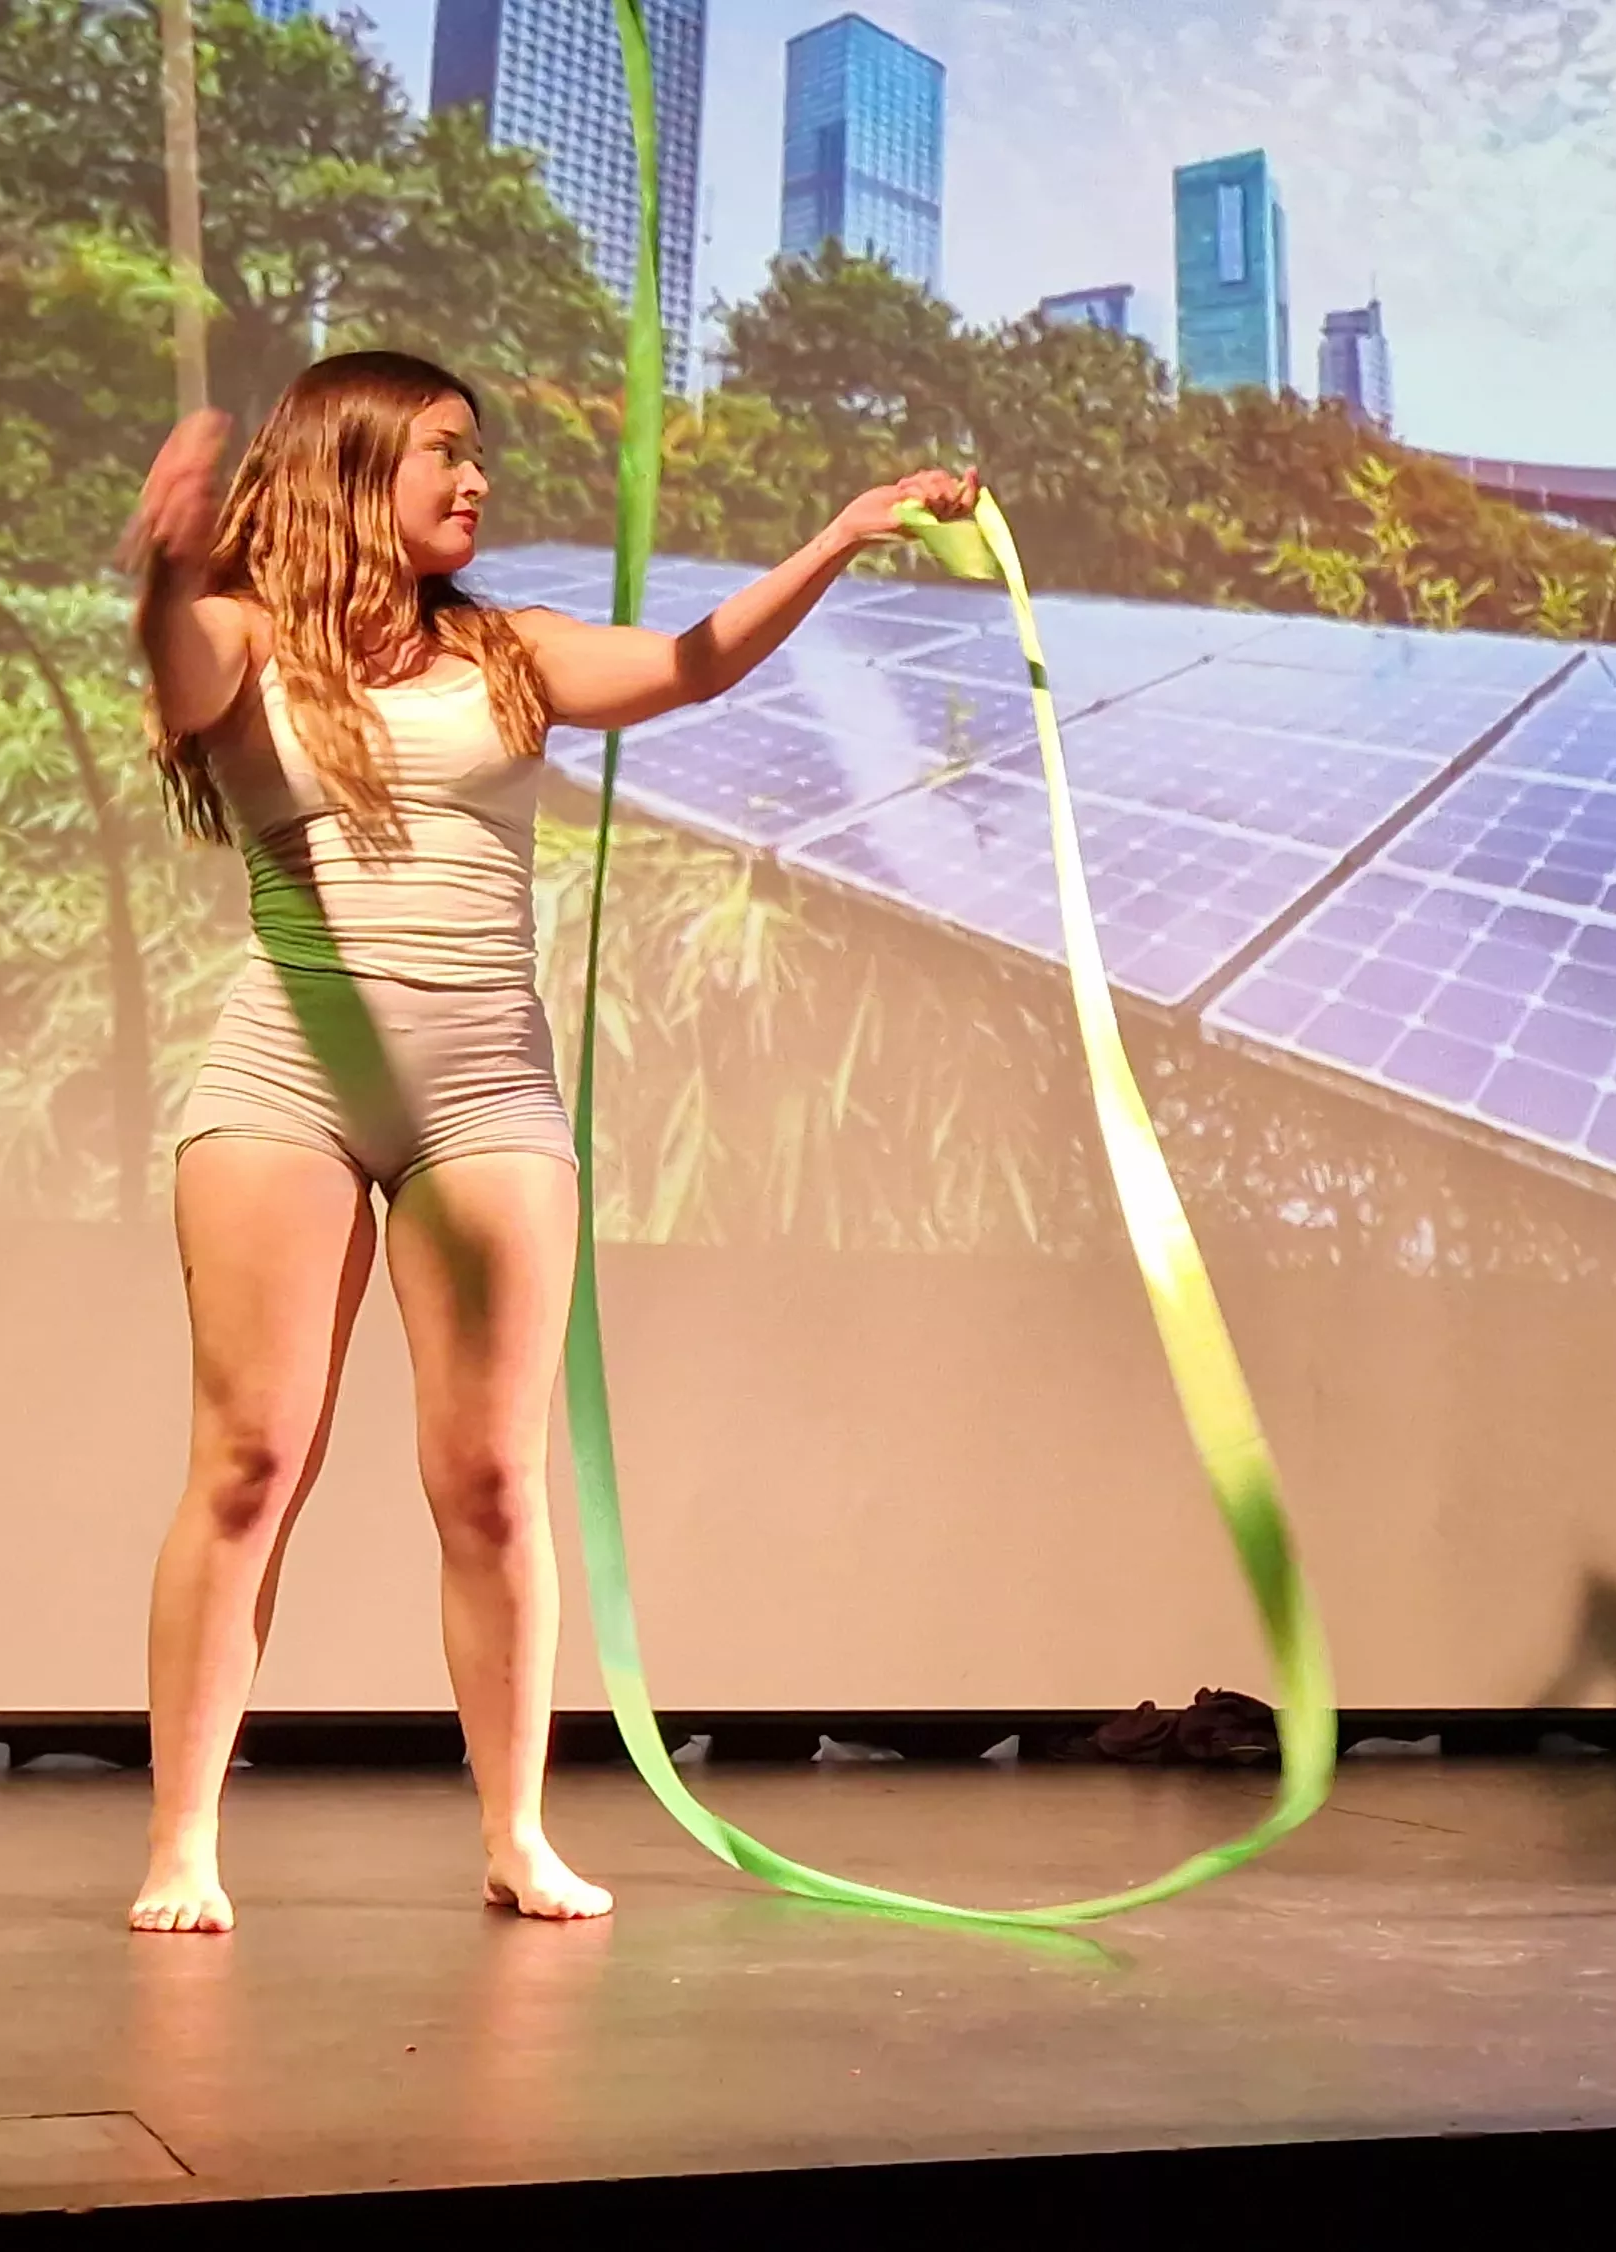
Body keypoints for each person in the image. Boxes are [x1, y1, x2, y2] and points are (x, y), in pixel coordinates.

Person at [120, 349, 972, 1932]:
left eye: (479, 456)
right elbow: (181, 670)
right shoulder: (242, 638)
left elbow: (692, 665)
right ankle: (183, 1840)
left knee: (496, 1480)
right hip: (286, 1085)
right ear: (354, 462)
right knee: (248, 1463)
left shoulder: (508, 653)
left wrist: (843, 535)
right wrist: (169, 569)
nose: (476, 481)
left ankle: (514, 1831)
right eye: (445, 453)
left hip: (485, 1093)